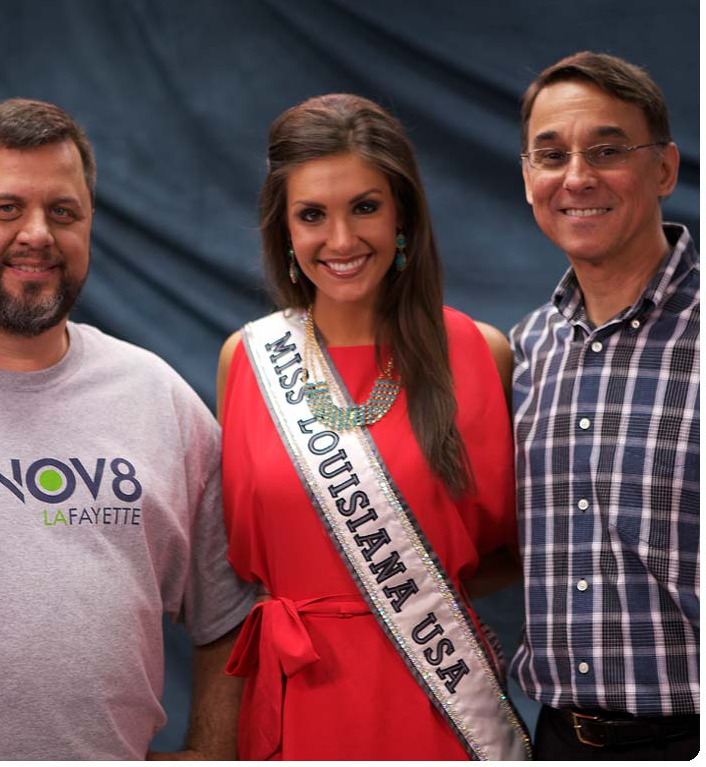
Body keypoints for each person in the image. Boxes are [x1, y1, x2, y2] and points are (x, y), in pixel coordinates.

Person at [0, 98, 256, 760]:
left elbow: (233, 618)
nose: (37, 234)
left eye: (62, 212)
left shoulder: (157, 397)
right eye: (7, 208)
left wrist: (211, 754)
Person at [216, 93, 532, 760]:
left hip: (435, 694)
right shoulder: (247, 358)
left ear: (403, 217)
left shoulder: (480, 352)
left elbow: (519, 549)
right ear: (286, 230)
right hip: (296, 699)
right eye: (311, 215)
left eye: (365, 207)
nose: (340, 240)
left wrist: (402, 598)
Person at [511, 52, 699, 759]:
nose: (578, 177)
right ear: (529, 176)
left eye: (608, 149)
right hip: (558, 740)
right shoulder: (526, 352)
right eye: (552, 154)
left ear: (665, 170)